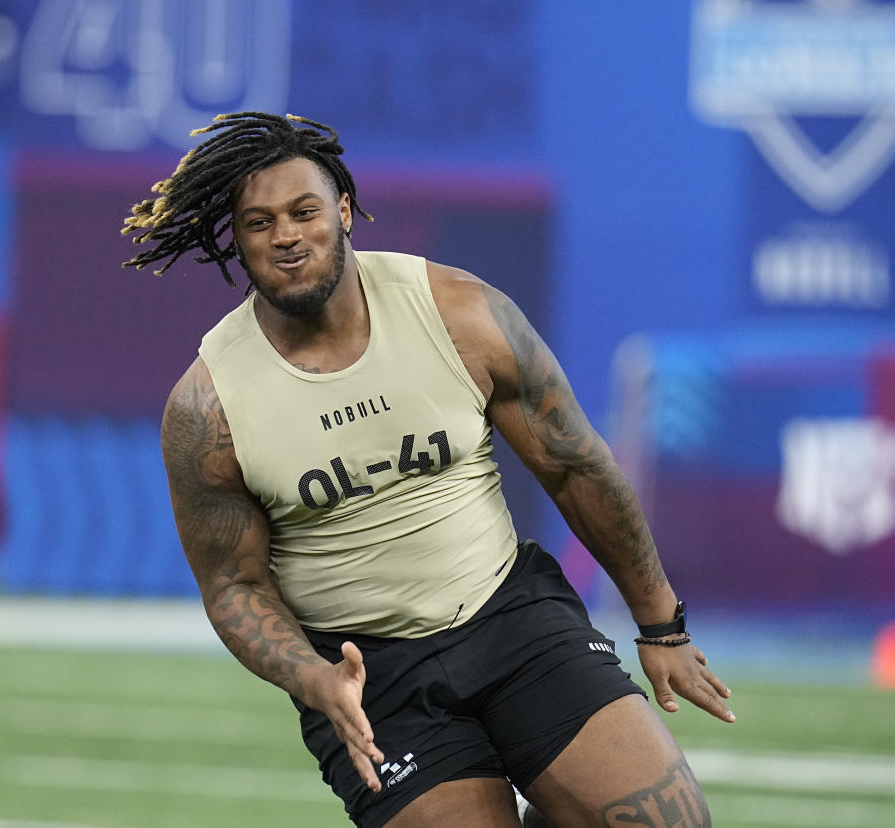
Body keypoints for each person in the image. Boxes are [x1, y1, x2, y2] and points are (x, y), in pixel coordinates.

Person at [122, 112, 735, 828]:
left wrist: (661, 626)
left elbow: (575, 466)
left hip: (513, 619)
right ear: (238, 237)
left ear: (344, 211)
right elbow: (233, 585)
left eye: (304, 212)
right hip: (370, 677)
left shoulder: (459, 313)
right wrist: (314, 679)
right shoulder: (208, 407)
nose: (285, 236)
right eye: (259, 223)